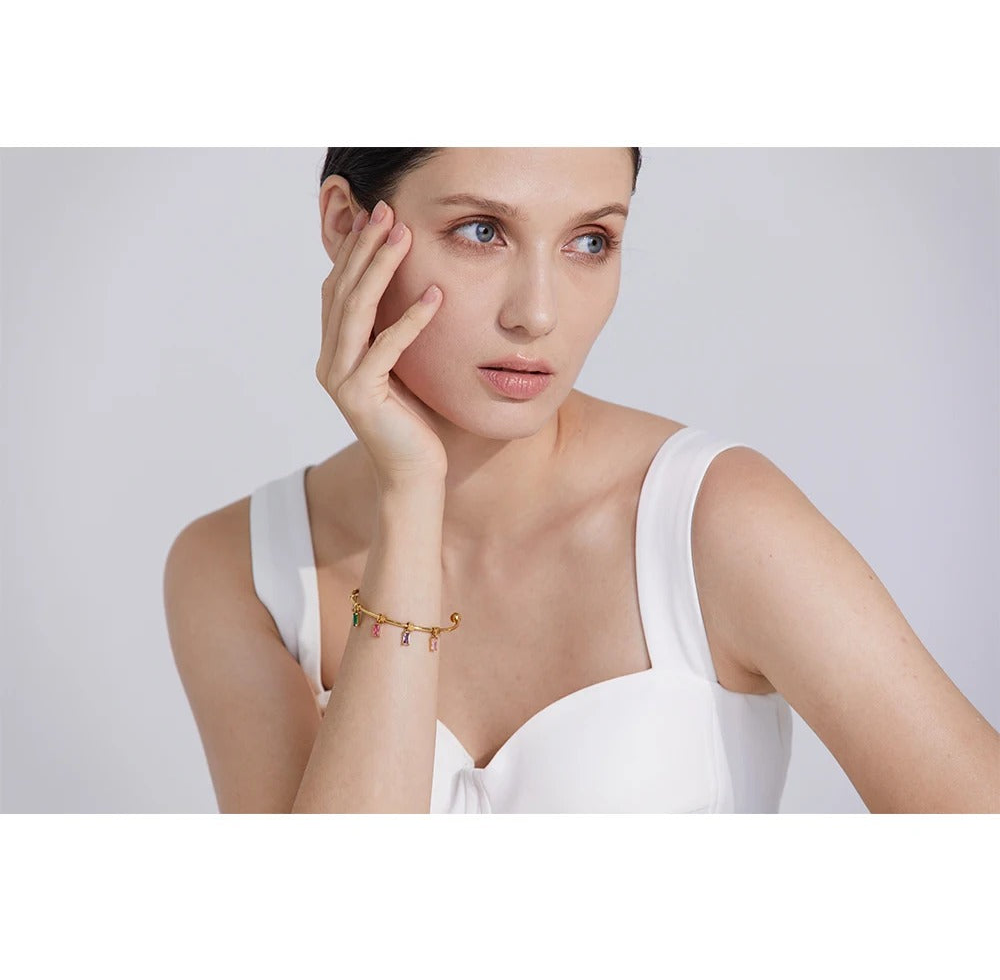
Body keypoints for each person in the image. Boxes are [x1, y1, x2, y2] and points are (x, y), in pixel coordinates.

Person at [163, 148, 1000, 814]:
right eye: (483, 231)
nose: (538, 313)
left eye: (590, 241)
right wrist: (411, 498)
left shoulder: (718, 524)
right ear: (347, 226)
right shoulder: (236, 569)